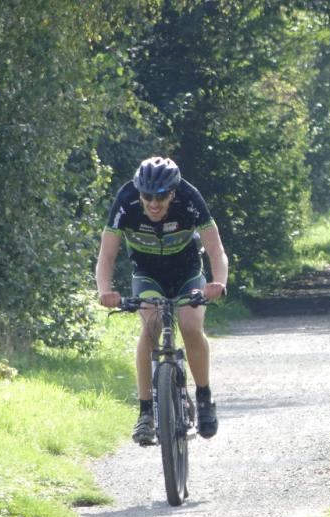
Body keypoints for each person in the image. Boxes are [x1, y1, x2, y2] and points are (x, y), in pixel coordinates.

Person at [95, 156, 229, 445]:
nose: (154, 204)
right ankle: (145, 412)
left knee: (191, 327)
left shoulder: (190, 198)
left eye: (161, 197)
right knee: (151, 327)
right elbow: (106, 256)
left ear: (173, 193)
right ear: (139, 193)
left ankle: (204, 397)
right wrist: (105, 291)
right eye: (147, 197)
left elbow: (216, 249)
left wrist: (218, 283)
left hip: (187, 272)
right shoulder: (126, 200)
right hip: (147, 274)